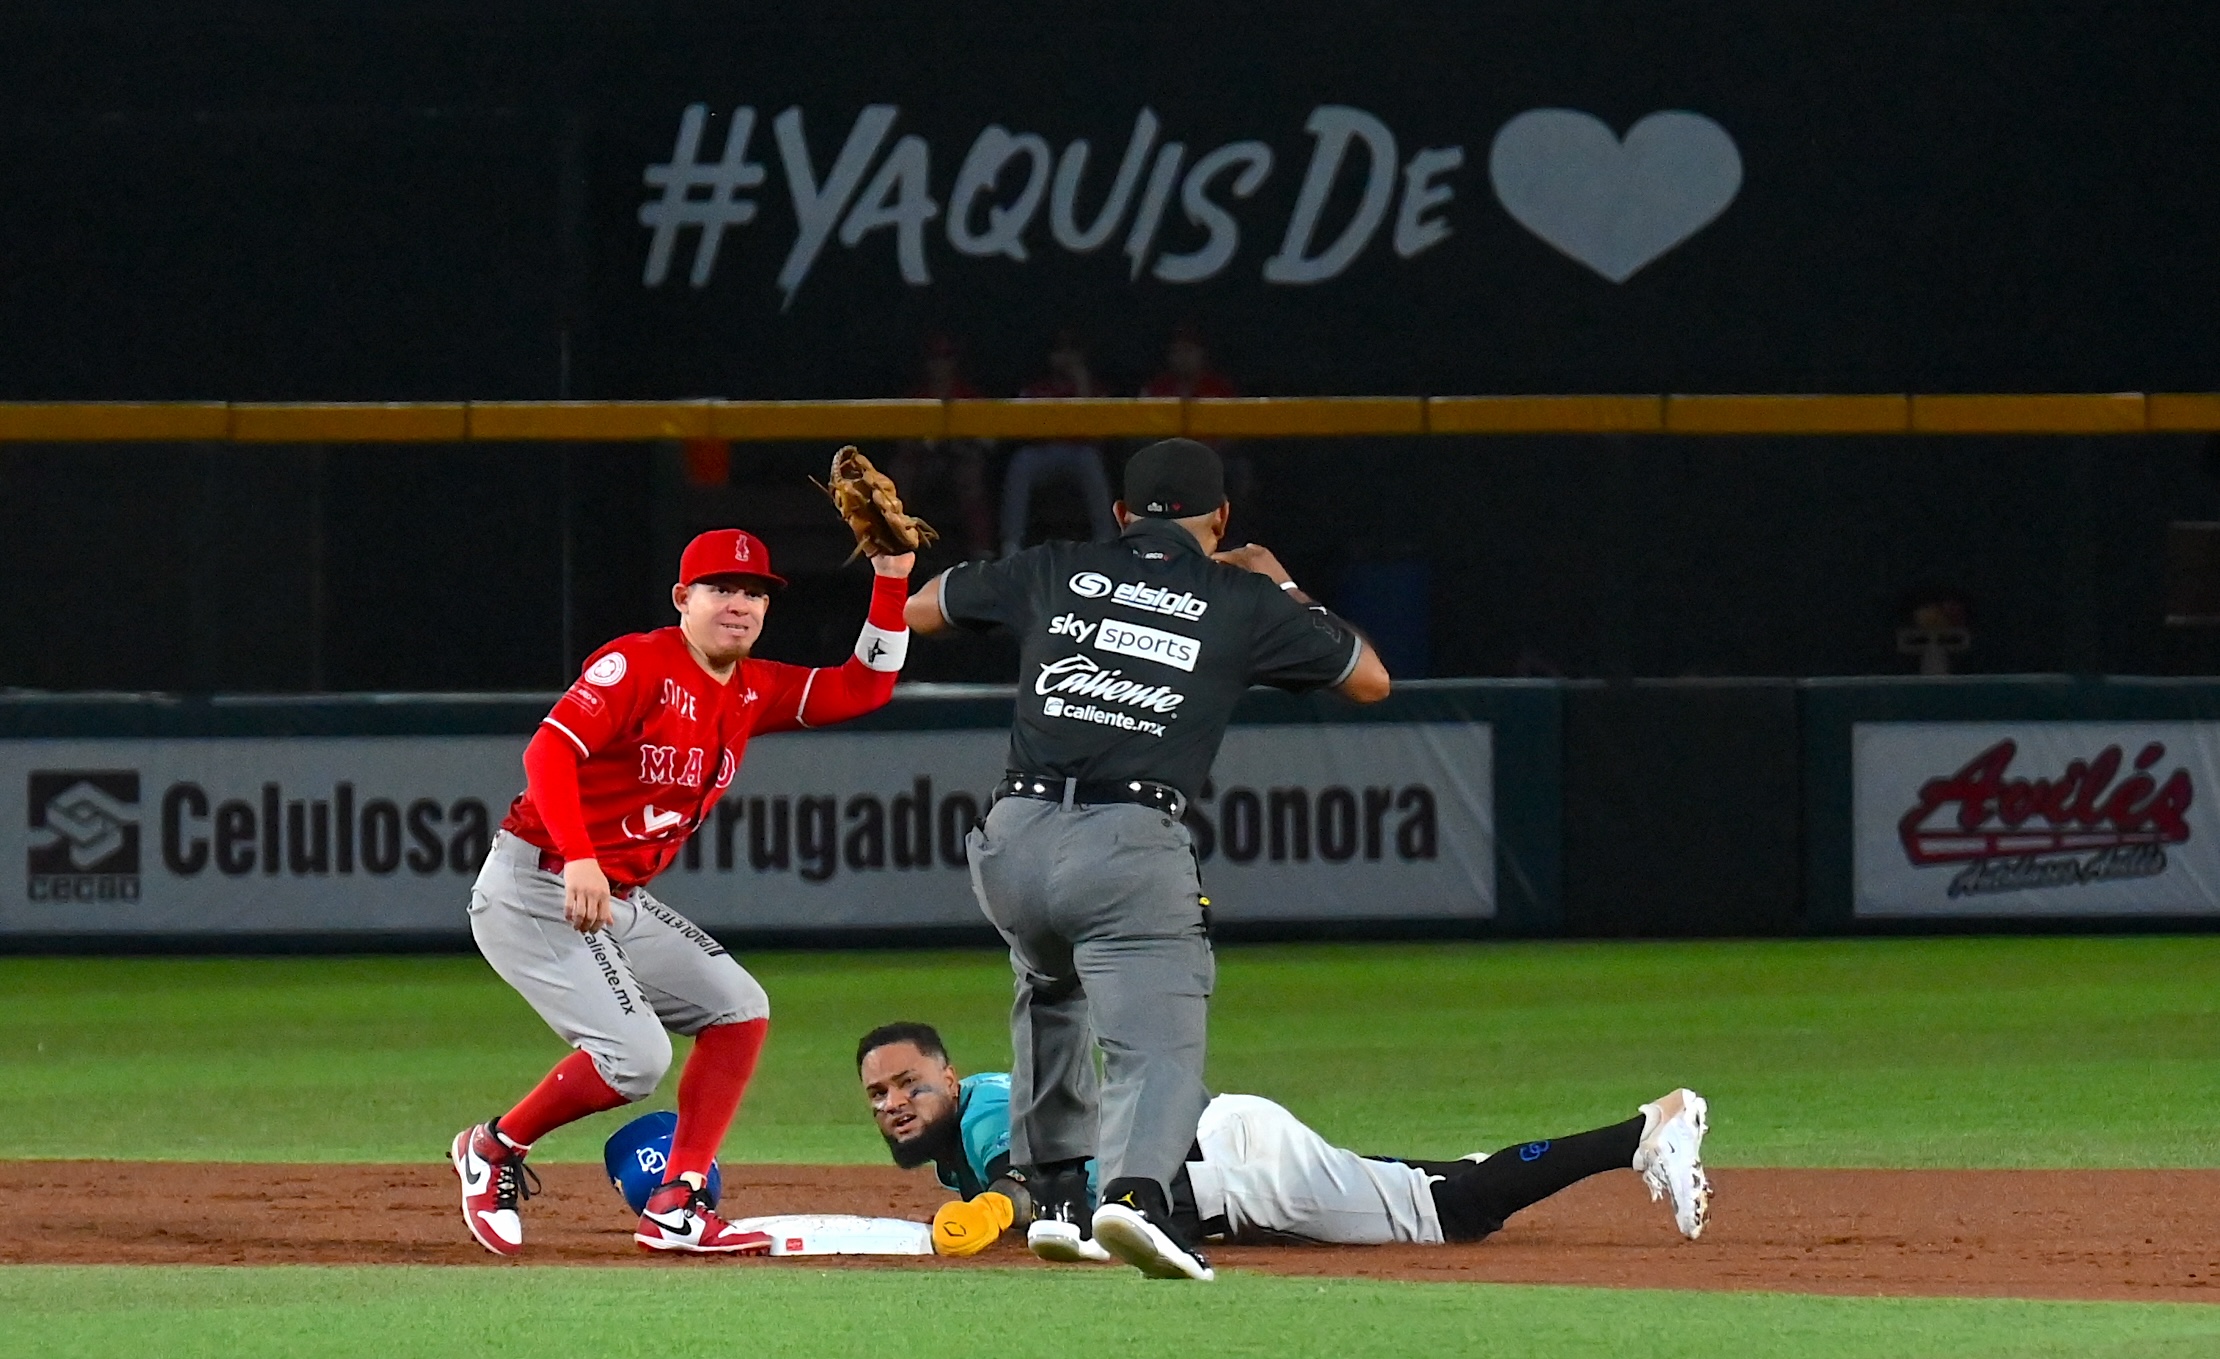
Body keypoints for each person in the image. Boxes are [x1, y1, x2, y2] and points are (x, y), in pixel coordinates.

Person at [903, 437, 1391, 1281]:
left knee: (1049, 990)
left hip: (1012, 840)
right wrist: (1278, 581)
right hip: (1124, 840)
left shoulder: (1056, 565)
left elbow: (920, 610)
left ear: (1122, 514)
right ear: (1221, 517)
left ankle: (1056, 1196)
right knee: (1154, 1039)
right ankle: (1134, 1196)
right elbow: (1371, 679)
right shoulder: (1240, 596)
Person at [450, 526, 915, 1257]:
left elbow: (865, 686)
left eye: (754, 592)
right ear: (682, 598)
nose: (740, 604)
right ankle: (494, 1146)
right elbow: (548, 751)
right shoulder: (639, 664)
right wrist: (580, 856)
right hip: (537, 883)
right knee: (636, 1059)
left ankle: (677, 1204)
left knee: (739, 1008)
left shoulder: (754, 685)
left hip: (615, 896)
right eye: (721, 588)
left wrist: (890, 578)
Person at [856, 1023, 1713, 1257]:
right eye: (879, 1094)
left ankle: (1647, 1130)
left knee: (1449, 1212)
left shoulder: (984, 1110)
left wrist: (991, 1211)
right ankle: (1639, 1135)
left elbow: (1021, 1180)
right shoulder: (962, 1131)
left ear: (948, 1075)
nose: (894, 1102)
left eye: (908, 1082)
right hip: (1222, 1150)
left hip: (1232, 1169)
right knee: (1435, 1183)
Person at [1000, 330, 1118, 556]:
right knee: (1022, 461)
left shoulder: (1094, 387)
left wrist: (1081, 383)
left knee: (1090, 460)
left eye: (1071, 351)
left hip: (1080, 453)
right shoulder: (1036, 388)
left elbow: (1101, 435)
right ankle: (1011, 545)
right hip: (1043, 453)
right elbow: (1020, 431)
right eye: (1060, 351)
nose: (1065, 357)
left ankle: (1106, 542)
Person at [890, 333, 995, 559]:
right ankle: (896, 546)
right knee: (900, 472)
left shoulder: (968, 394)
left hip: (959, 460)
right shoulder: (916, 396)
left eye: (946, 357)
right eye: (934, 357)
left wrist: (964, 440)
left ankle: (982, 551)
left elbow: (990, 442)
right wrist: (923, 443)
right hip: (924, 464)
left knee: (971, 473)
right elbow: (902, 444)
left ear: (955, 361)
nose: (940, 364)